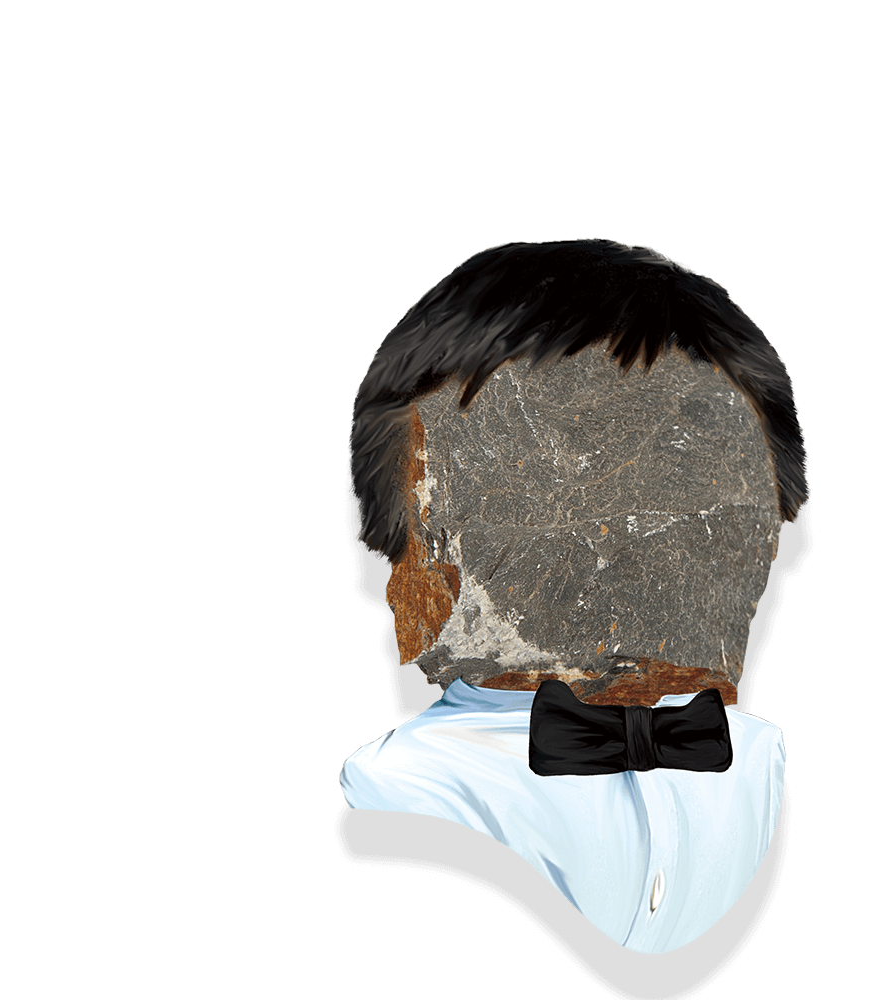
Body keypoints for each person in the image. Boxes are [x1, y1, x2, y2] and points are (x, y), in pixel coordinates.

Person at [340, 239, 806, 955]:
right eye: (531, 490)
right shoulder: (398, 795)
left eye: (683, 475)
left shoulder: (764, 760)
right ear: (412, 547)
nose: (621, 535)